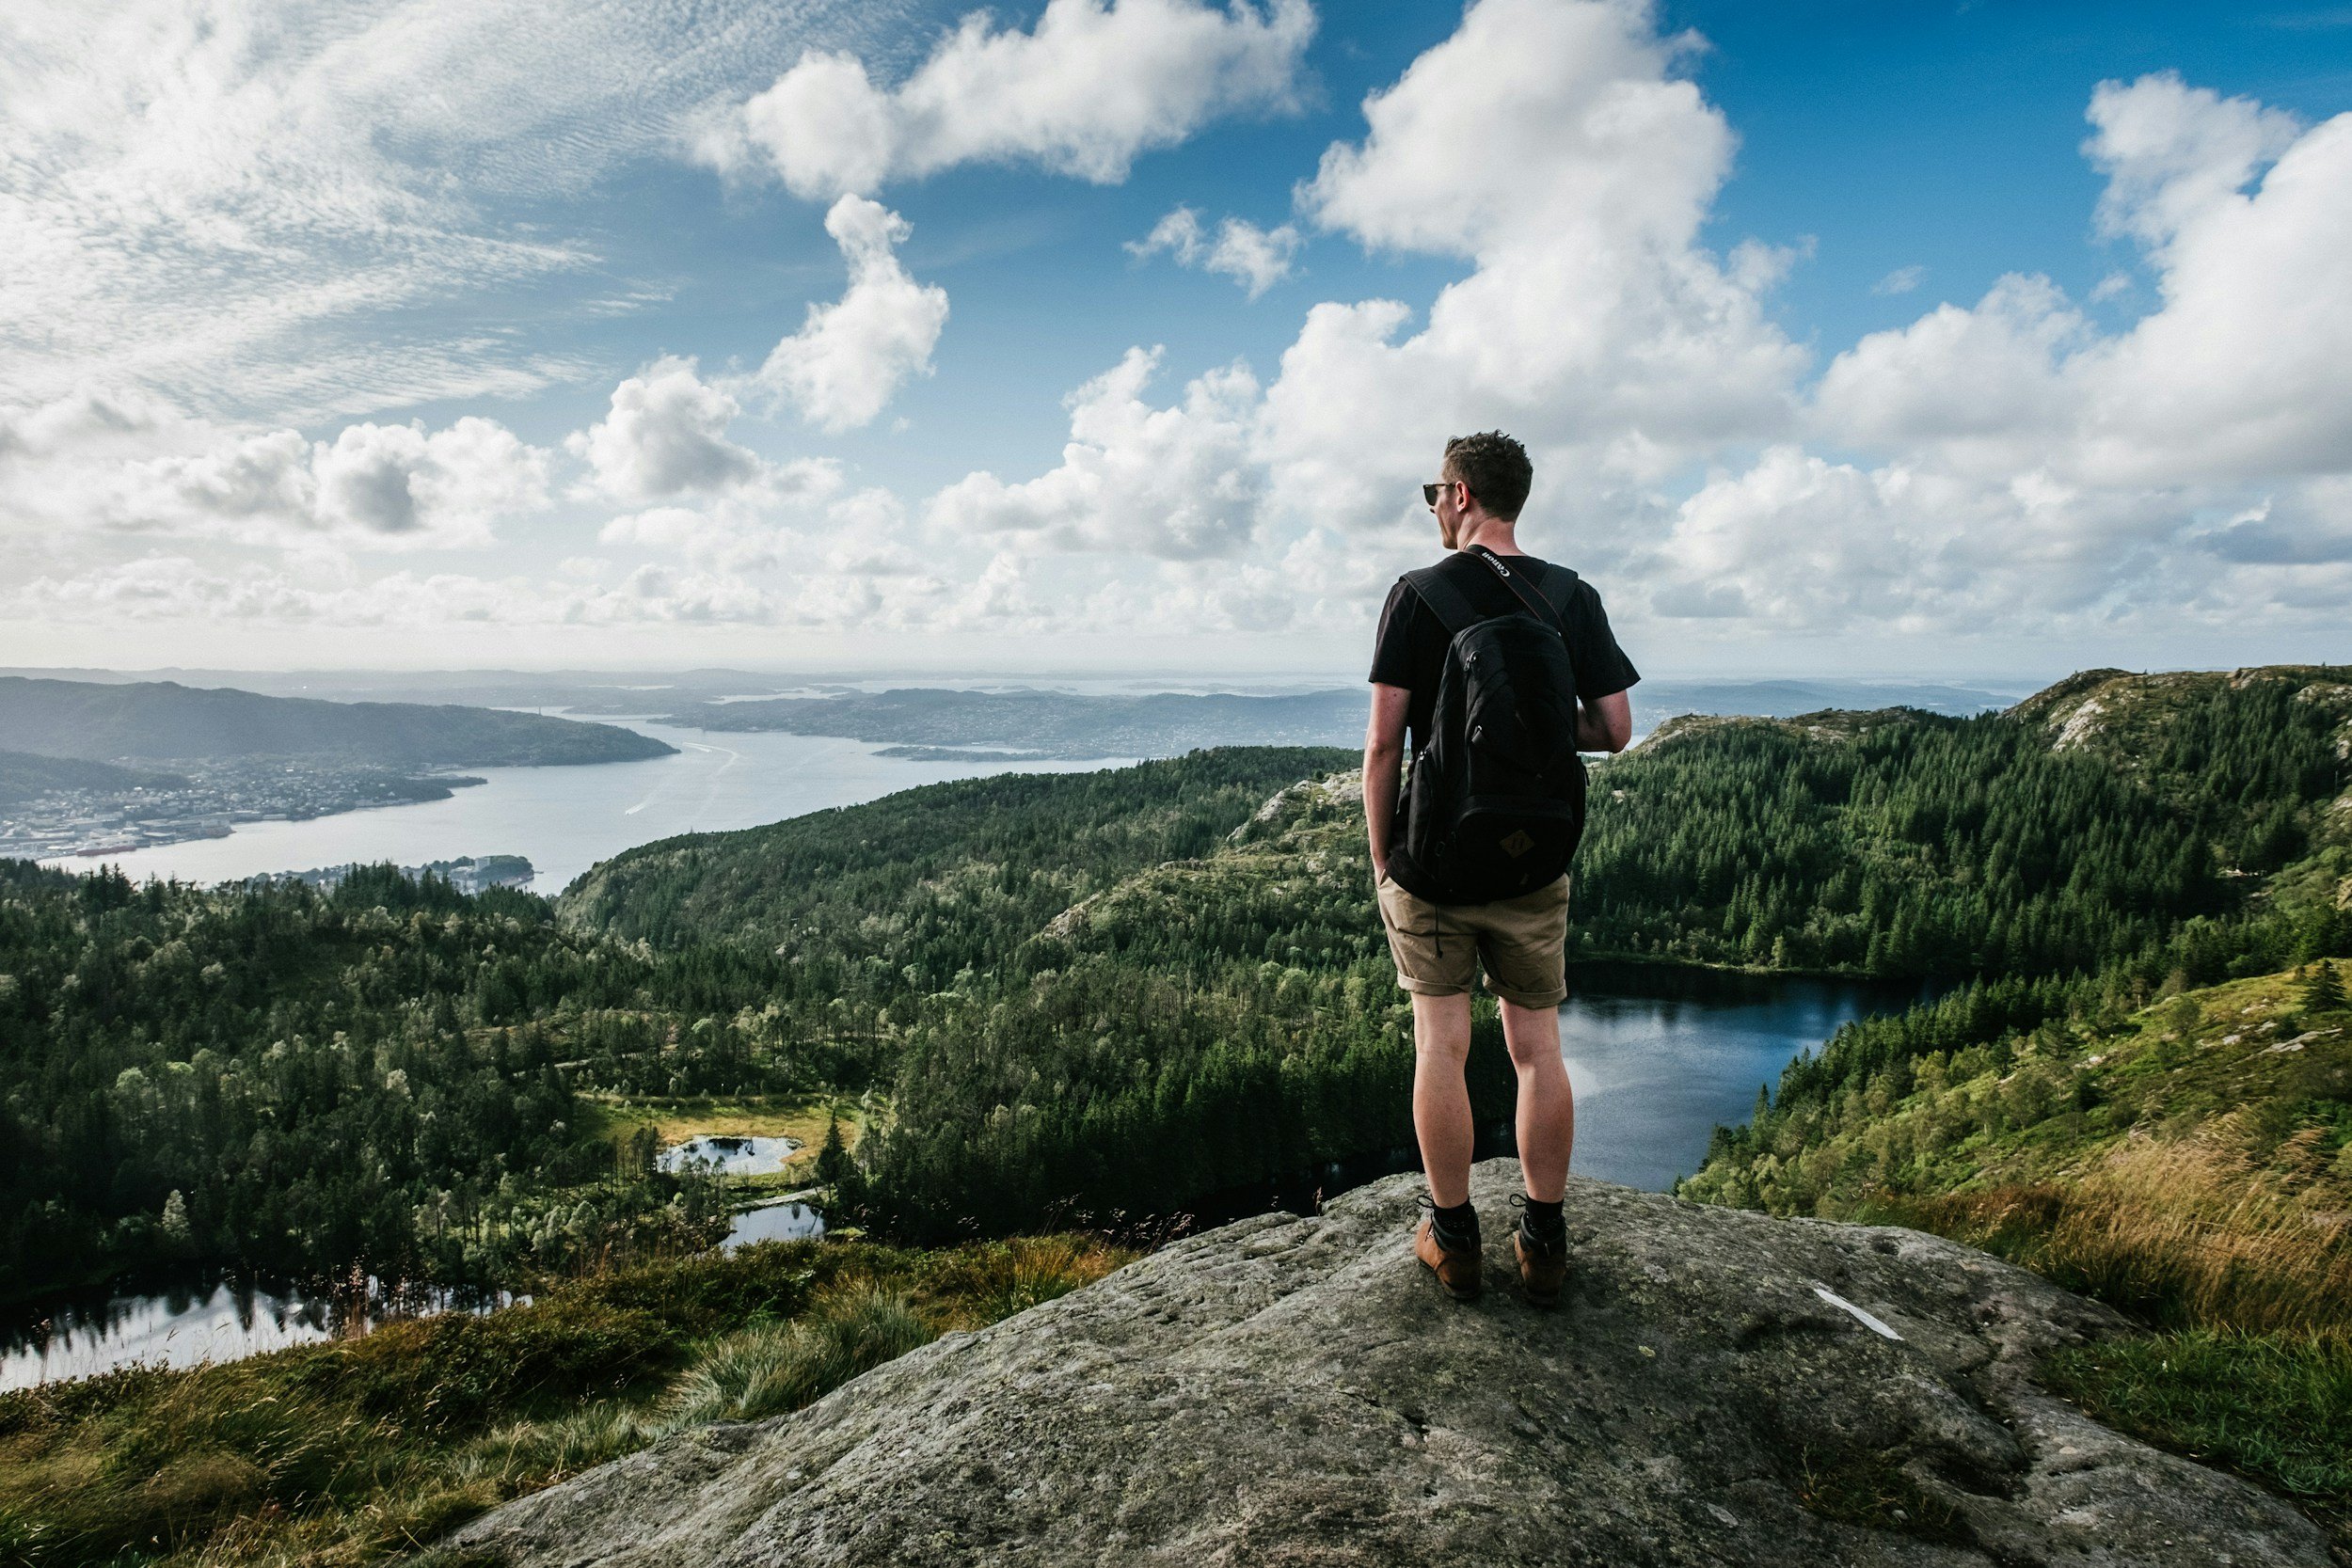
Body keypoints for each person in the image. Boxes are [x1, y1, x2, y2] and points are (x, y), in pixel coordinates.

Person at [1363, 431, 1637, 1305]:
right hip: (1533, 863)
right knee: (1536, 1047)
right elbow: (1614, 729)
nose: (1435, 508)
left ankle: (1453, 1238)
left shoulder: (1418, 594)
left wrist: (1383, 862)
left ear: (1461, 493)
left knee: (1441, 1044)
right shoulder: (1570, 596)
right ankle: (1545, 1241)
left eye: (1434, 493)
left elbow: (1382, 745)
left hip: (1436, 867)